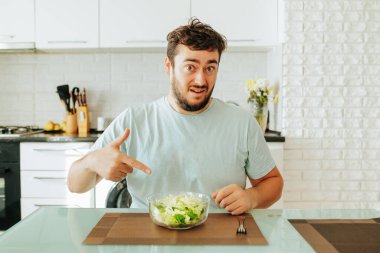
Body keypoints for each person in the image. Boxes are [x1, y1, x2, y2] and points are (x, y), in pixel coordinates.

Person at [68, 18, 283, 215]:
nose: (201, 80)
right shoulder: (133, 120)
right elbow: (74, 184)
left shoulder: (241, 122)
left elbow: (273, 182)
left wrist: (252, 197)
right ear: (169, 67)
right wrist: (92, 161)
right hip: (147, 235)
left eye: (210, 67)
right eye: (190, 67)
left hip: (220, 235)